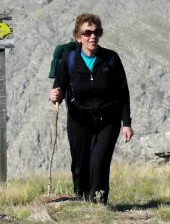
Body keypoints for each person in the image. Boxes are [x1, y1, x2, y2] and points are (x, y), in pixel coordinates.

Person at [49, 14, 133, 204]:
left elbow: (123, 92)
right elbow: (58, 88)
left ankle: (99, 202)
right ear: (78, 37)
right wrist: (55, 96)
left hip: (108, 119)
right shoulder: (69, 61)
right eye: (87, 32)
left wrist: (126, 123)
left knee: (99, 162)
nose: (92, 36)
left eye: (97, 32)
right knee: (80, 164)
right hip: (79, 119)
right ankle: (82, 197)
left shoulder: (111, 59)